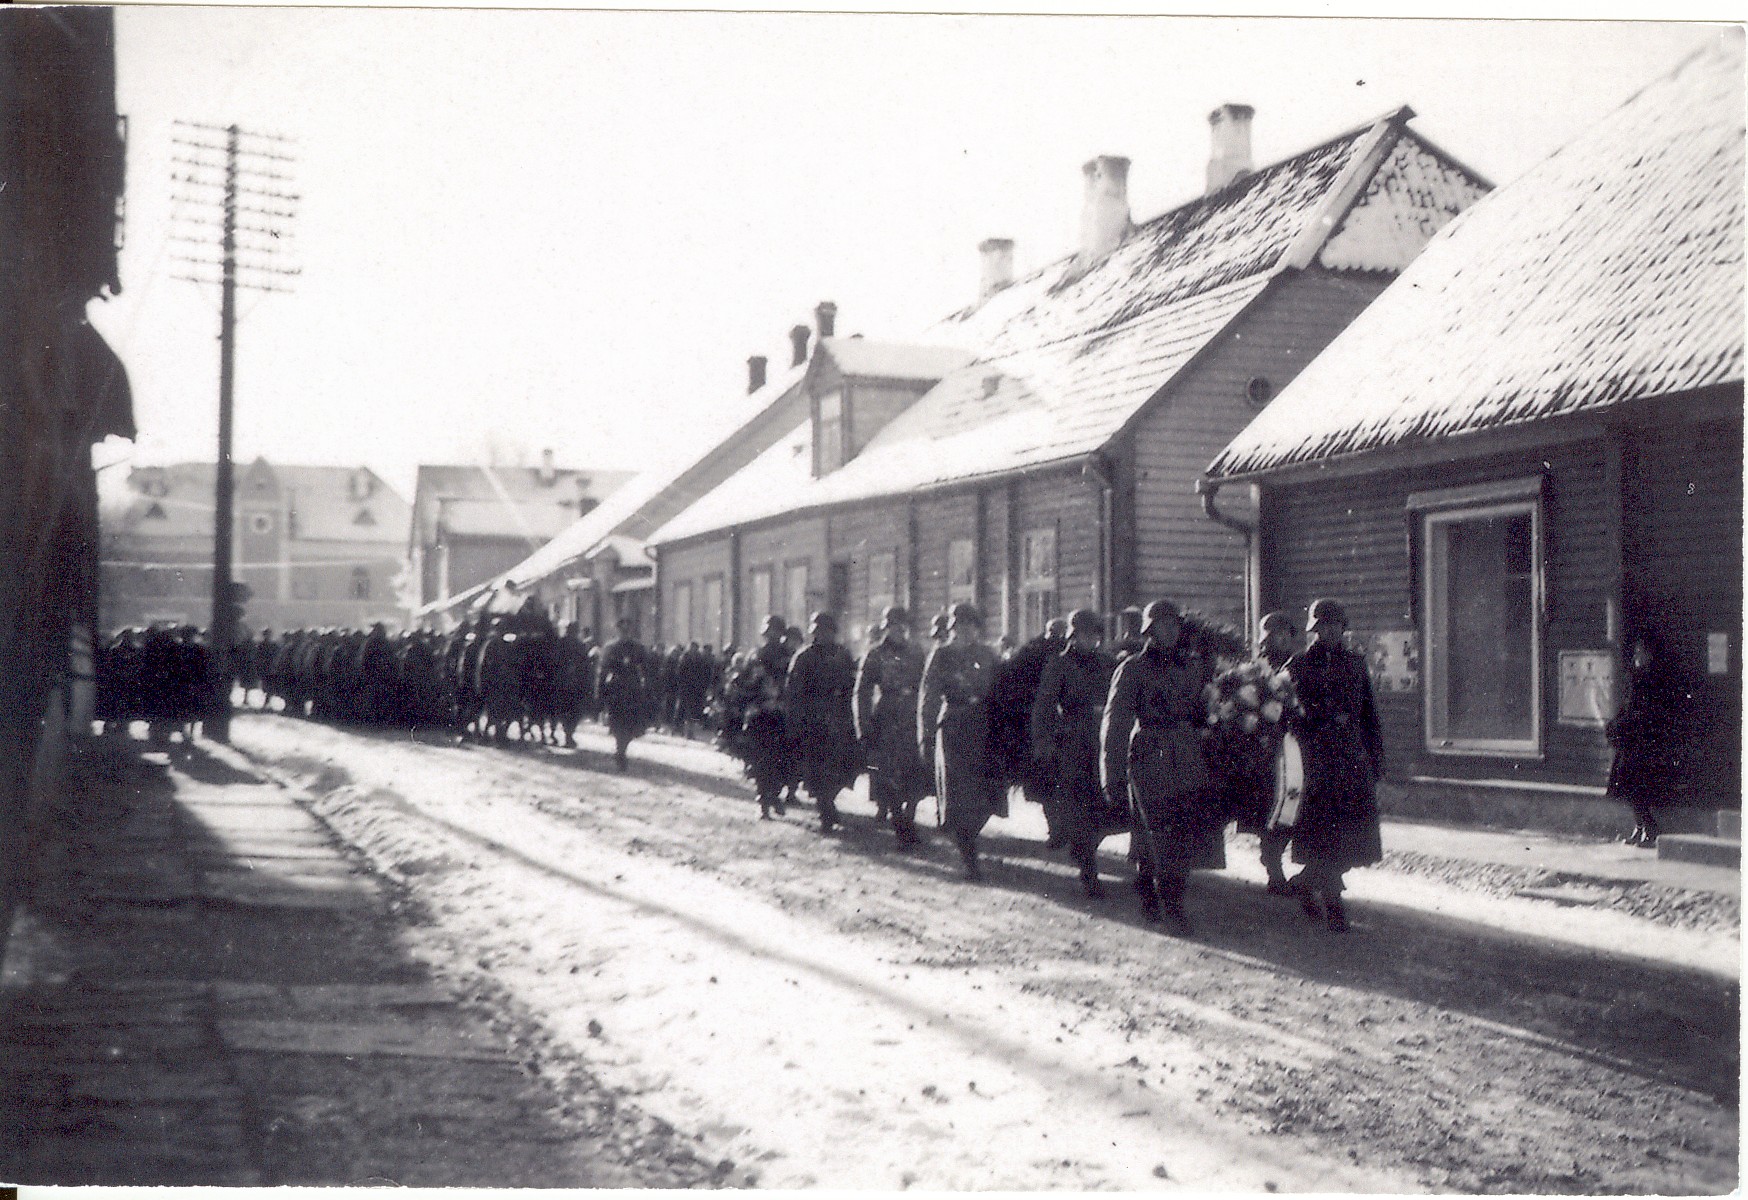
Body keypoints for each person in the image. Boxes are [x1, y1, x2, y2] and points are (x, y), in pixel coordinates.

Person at [1100, 599, 1221, 935]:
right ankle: (1173, 906)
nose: (1169, 631)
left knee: (1179, 831)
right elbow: (1115, 724)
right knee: (1162, 831)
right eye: (1161, 625)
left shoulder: (1191, 668)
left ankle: (1148, 885)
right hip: (1150, 756)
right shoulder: (1132, 669)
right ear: (1148, 630)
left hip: (1186, 756)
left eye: (1173, 625)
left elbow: (1202, 712)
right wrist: (1110, 777)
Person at [1284, 598, 1383, 933]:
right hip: (1316, 762)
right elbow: (1288, 713)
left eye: (1334, 625)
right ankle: (1333, 904)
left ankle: (1304, 883)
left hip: (1351, 760)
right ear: (1314, 629)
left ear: (1343, 627)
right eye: (1322, 625)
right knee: (1322, 834)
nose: (1329, 631)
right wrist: (1319, 720)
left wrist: (1375, 759)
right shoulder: (1297, 665)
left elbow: (1369, 715)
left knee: (1350, 838)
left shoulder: (1356, 664)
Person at [1030, 609, 1120, 897]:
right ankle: (1088, 869)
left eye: (1094, 634)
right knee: (1079, 808)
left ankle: (1087, 854)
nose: (1089, 639)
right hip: (1073, 744)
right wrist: (1043, 743)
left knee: (1104, 809)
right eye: (1083, 634)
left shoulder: (1107, 663)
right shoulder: (1059, 665)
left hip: (1103, 741)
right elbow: (1044, 707)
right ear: (1073, 635)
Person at [918, 602, 1005, 880]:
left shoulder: (987, 654)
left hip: (984, 728)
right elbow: (929, 695)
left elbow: (1001, 690)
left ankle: (968, 839)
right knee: (960, 795)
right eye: (960, 627)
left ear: (977, 629)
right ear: (953, 629)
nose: (966, 632)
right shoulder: (941, 655)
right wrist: (926, 734)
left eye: (970, 627)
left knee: (987, 794)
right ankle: (969, 856)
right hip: (954, 727)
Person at [855, 605, 931, 846]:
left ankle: (909, 818)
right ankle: (900, 824)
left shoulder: (917, 652)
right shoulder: (875, 654)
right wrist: (863, 725)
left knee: (914, 773)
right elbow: (862, 691)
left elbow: (928, 684)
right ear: (886, 627)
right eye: (893, 626)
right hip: (886, 718)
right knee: (888, 775)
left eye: (902, 626)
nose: (898, 630)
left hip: (912, 717)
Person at [1606, 630, 1689, 849]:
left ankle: (1648, 828)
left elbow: (1645, 711)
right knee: (1628, 786)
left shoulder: (1650, 679)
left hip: (1643, 742)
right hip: (1632, 741)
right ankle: (1640, 826)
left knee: (1636, 787)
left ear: (1649, 654)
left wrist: (1624, 725)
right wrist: (1617, 725)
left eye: (1640, 652)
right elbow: (1628, 708)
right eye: (1636, 652)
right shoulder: (1637, 678)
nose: (1636, 656)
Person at [991, 617, 1070, 845]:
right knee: (1046, 779)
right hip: (1038, 722)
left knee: (1054, 780)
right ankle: (1056, 828)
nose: (1058, 636)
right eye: (1056, 632)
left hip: (1056, 722)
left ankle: (1058, 828)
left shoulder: (1046, 652)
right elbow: (1011, 680)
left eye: (1061, 632)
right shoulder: (1033, 652)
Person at [783, 611, 862, 833]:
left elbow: (852, 686)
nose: (823, 635)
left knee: (843, 767)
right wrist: (796, 722)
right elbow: (793, 692)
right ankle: (826, 809)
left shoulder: (843, 655)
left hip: (840, 720)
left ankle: (828, 802)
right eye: (819, 632)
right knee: (816, 770)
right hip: (813, 723)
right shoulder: (803, 657)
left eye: (827, 631)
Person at [597, 616, 652, 770]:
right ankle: (620, 749)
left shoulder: (638, 647)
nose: (625, 632)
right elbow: (603, 670)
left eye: (627, 630)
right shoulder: (611, 648)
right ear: (618, 630)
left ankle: (622, 748)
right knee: (617, 720)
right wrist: (600, 692)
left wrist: (647, 688)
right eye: (622, 629)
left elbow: (646, 669)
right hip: (616, 687)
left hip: (633, 688)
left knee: (630, 722)